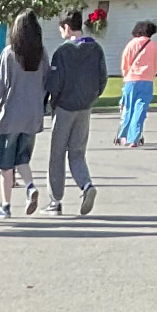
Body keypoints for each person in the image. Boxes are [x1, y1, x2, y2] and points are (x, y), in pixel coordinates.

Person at [0, 9, 47, 218]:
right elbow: (46, 82)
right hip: (32, 117)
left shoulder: (9, 53)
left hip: (10, 117)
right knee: (22, 158)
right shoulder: (41, 55)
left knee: (5, 163)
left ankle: (5, 205)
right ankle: (30, 186)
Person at [45, 11, 107, 215]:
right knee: (77, 152)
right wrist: (93, 96)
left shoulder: (62, 52)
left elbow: (55, 82)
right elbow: (102, 77)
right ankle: (86, 185)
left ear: (66, 27)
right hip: (85, 107)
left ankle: (55, 200)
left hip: (64, 107)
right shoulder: (96, 49)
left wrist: (51, 101)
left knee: (57, 154)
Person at [116, 19, 157, 148]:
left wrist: (126, 75)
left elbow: (125, 62)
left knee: (128, 108)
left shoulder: (131, 44)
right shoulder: (154, 45)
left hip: (131, 79)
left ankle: (122, 135)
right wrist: (151, 74)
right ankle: (134, 138)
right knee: (140, 109)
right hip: (147, 80)